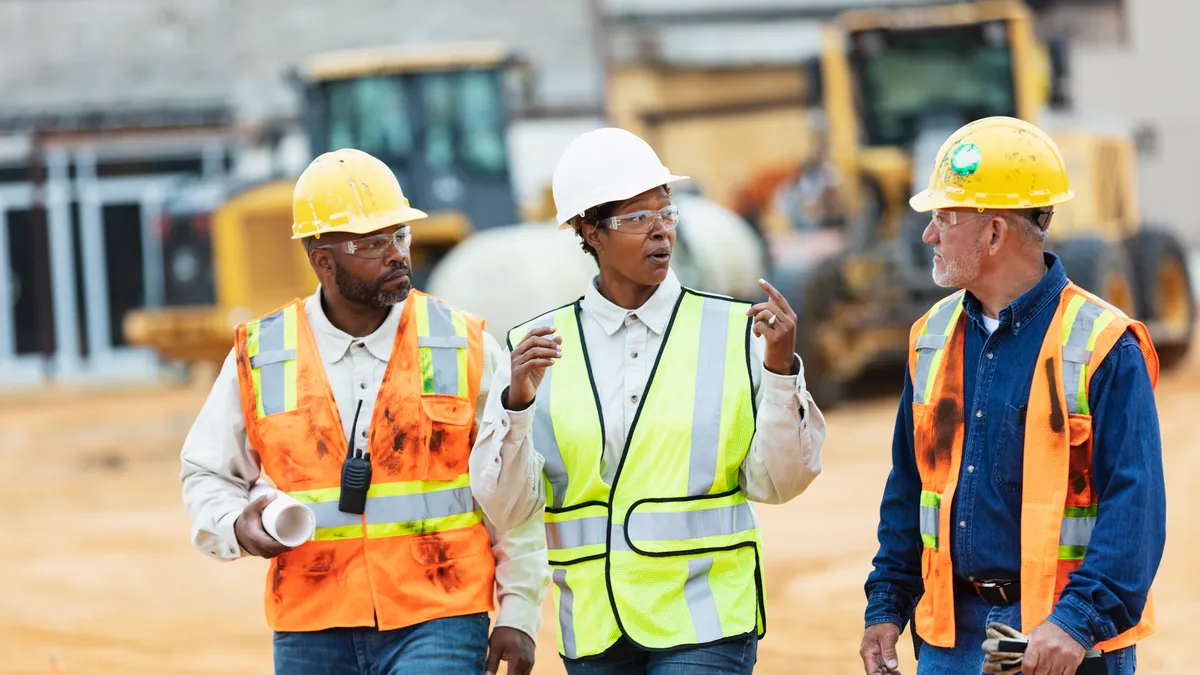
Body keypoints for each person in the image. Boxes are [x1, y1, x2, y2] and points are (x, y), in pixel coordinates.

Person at [469, 127, 828, 675]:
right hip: (595, 629)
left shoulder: (736, 332)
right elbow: (508, 506)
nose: (661, 231)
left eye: (667, 212)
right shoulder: (536, 348)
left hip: (707, 623)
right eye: (638, 218)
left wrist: (781, 371)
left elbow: (780, 484)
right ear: (589, 232)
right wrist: (516, 405)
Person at [179, 148, 549, 675]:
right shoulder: (263, 354)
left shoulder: (461, 344)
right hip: (312, 622)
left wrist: (519, 611)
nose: (397, 254)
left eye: (400, 236)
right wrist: (235, 525)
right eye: (373, 244)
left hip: (439, 614)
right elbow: (207, 473)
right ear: (322, 260)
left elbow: (515, 492)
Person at [858, 117, 1166, 675]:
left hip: (1061, 642)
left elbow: (1134, 508)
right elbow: (910, 486)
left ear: (995, 233)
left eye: (944, 219)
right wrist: (887, 605)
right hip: (949, 635)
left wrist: (1075, 622)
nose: (929, 235)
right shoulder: (930, 337)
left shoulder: (1104, 344)